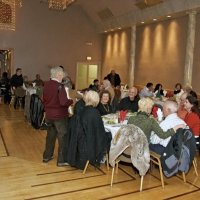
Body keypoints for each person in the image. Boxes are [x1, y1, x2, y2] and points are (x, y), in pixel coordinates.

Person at [42, 66, 73, 166]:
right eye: (62, 74)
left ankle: (47, 156)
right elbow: (64, 102)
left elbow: (43, 99)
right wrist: (71, 101)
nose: (63, 75)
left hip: (49, 115)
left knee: (50, 136)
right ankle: (62, 160)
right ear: (59, 74)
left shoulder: (46, 85)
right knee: (62, 137)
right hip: (60, 116)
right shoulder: (60, 86)